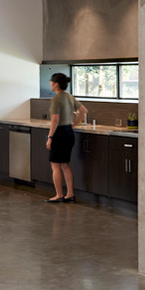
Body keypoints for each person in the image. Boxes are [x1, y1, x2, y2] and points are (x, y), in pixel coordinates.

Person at [45, 73, 88, 203]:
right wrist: (76, 122)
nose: (50, 83)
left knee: (55, 166)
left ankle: (58, 195)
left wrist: (50, 137)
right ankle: (70, 194)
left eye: (51, 82)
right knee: (65, 165)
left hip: (59, 133)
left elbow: (55, 120)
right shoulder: (69, 96)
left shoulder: (57, 99)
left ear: (56, 84)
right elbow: (84, 111)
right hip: (69, 132)